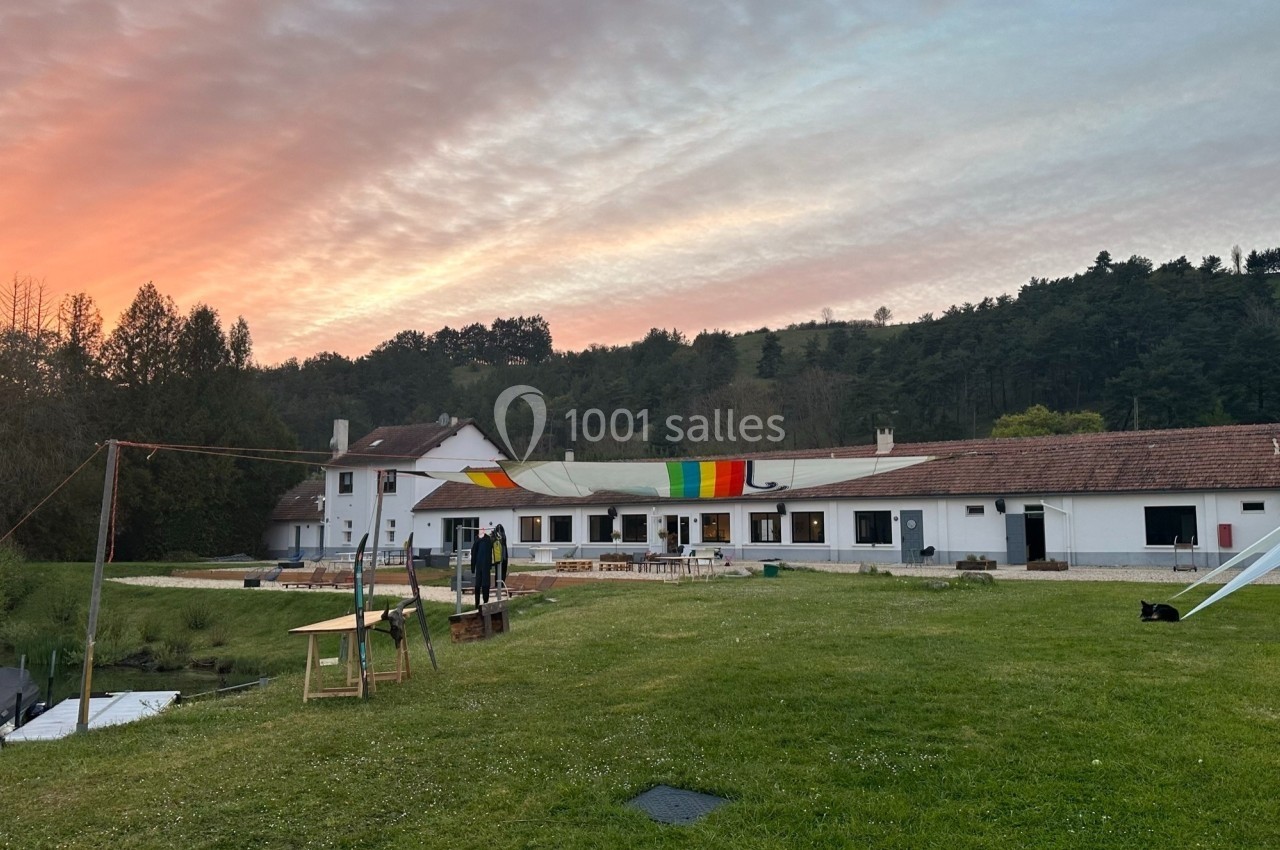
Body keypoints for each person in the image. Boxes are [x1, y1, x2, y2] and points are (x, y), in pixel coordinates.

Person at [471, 528, 494, 608]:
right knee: (482, 584)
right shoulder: (483, 541)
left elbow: (473, 553)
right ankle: (482, 603)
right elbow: (474, 553)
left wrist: (473, 566)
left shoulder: (484, 540)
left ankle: (481, 603)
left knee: (482, 584)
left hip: (482, 564)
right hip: (483, 564)